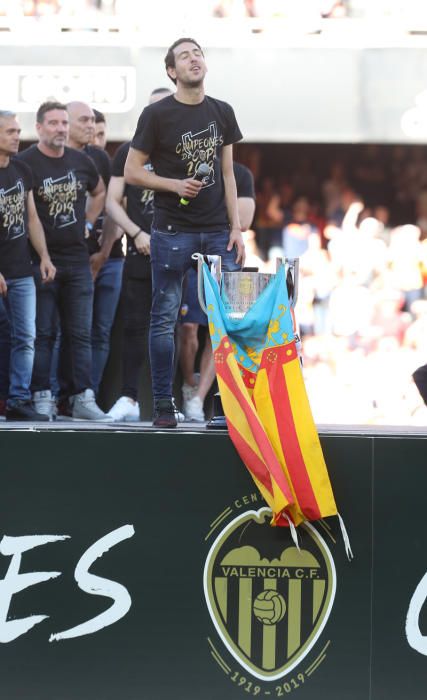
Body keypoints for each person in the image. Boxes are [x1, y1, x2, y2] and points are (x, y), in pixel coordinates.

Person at [125, 37, 245, 428]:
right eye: (184, 56)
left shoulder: (222, 111)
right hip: (172, 231)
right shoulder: (157, 115)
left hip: (217, 232)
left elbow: (228, 174)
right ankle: (164, 404)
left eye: (198, 53)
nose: (194, 59)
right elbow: (132, 171)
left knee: (226, 321)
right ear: (172, 72)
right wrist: (175, 185)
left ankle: (223, 408)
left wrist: (237, 229)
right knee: (163, 318)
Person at [18, 101, 108, 420]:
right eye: (54, 123)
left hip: (77, 259)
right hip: (39, 261)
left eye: (64, 123)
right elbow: (25, 214)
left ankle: (81, 397)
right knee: (43, 332)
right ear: (39, 127)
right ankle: (42, 395)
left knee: (81, 333)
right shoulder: (25, 163)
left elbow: (100, 192)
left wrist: (87, 222)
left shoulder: (82, 161)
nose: (61, 129)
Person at [105, 87, 184, 422]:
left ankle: (170, 403)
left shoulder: (185, 150)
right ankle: (128, 398)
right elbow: (111, 202)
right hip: (139, 251)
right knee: (135, 327)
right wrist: (136, 233)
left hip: (177, 251)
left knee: (172, 328)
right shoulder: (128, 151)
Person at [179, 161, 256, 422]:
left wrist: (211, 214)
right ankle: (189, 384)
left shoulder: (241, 173)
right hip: (188, 254)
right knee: (187, 327)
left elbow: (244, 220)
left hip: (223, 256)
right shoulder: (186, 165)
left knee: (218, 331)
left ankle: (198, 399)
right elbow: (178, 210)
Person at [0, 110, 56, 421]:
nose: (16, 136)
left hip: (21, 270)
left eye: (17, 131)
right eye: (9, 131)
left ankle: (18, 400)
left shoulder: (21, 170)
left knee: (26, 337)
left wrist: (44, 257)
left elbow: (31, 218)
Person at [66, 100, 124, 394]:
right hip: (72, 259)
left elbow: (114, 206)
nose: (92, 130)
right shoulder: (47, 159)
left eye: (96, 125)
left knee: (100, 332)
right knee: (70, 332)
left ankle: (90, 394)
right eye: (85, 121)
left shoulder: (101, 159)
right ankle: (62, 394)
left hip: (110, 257)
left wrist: (103, 253)